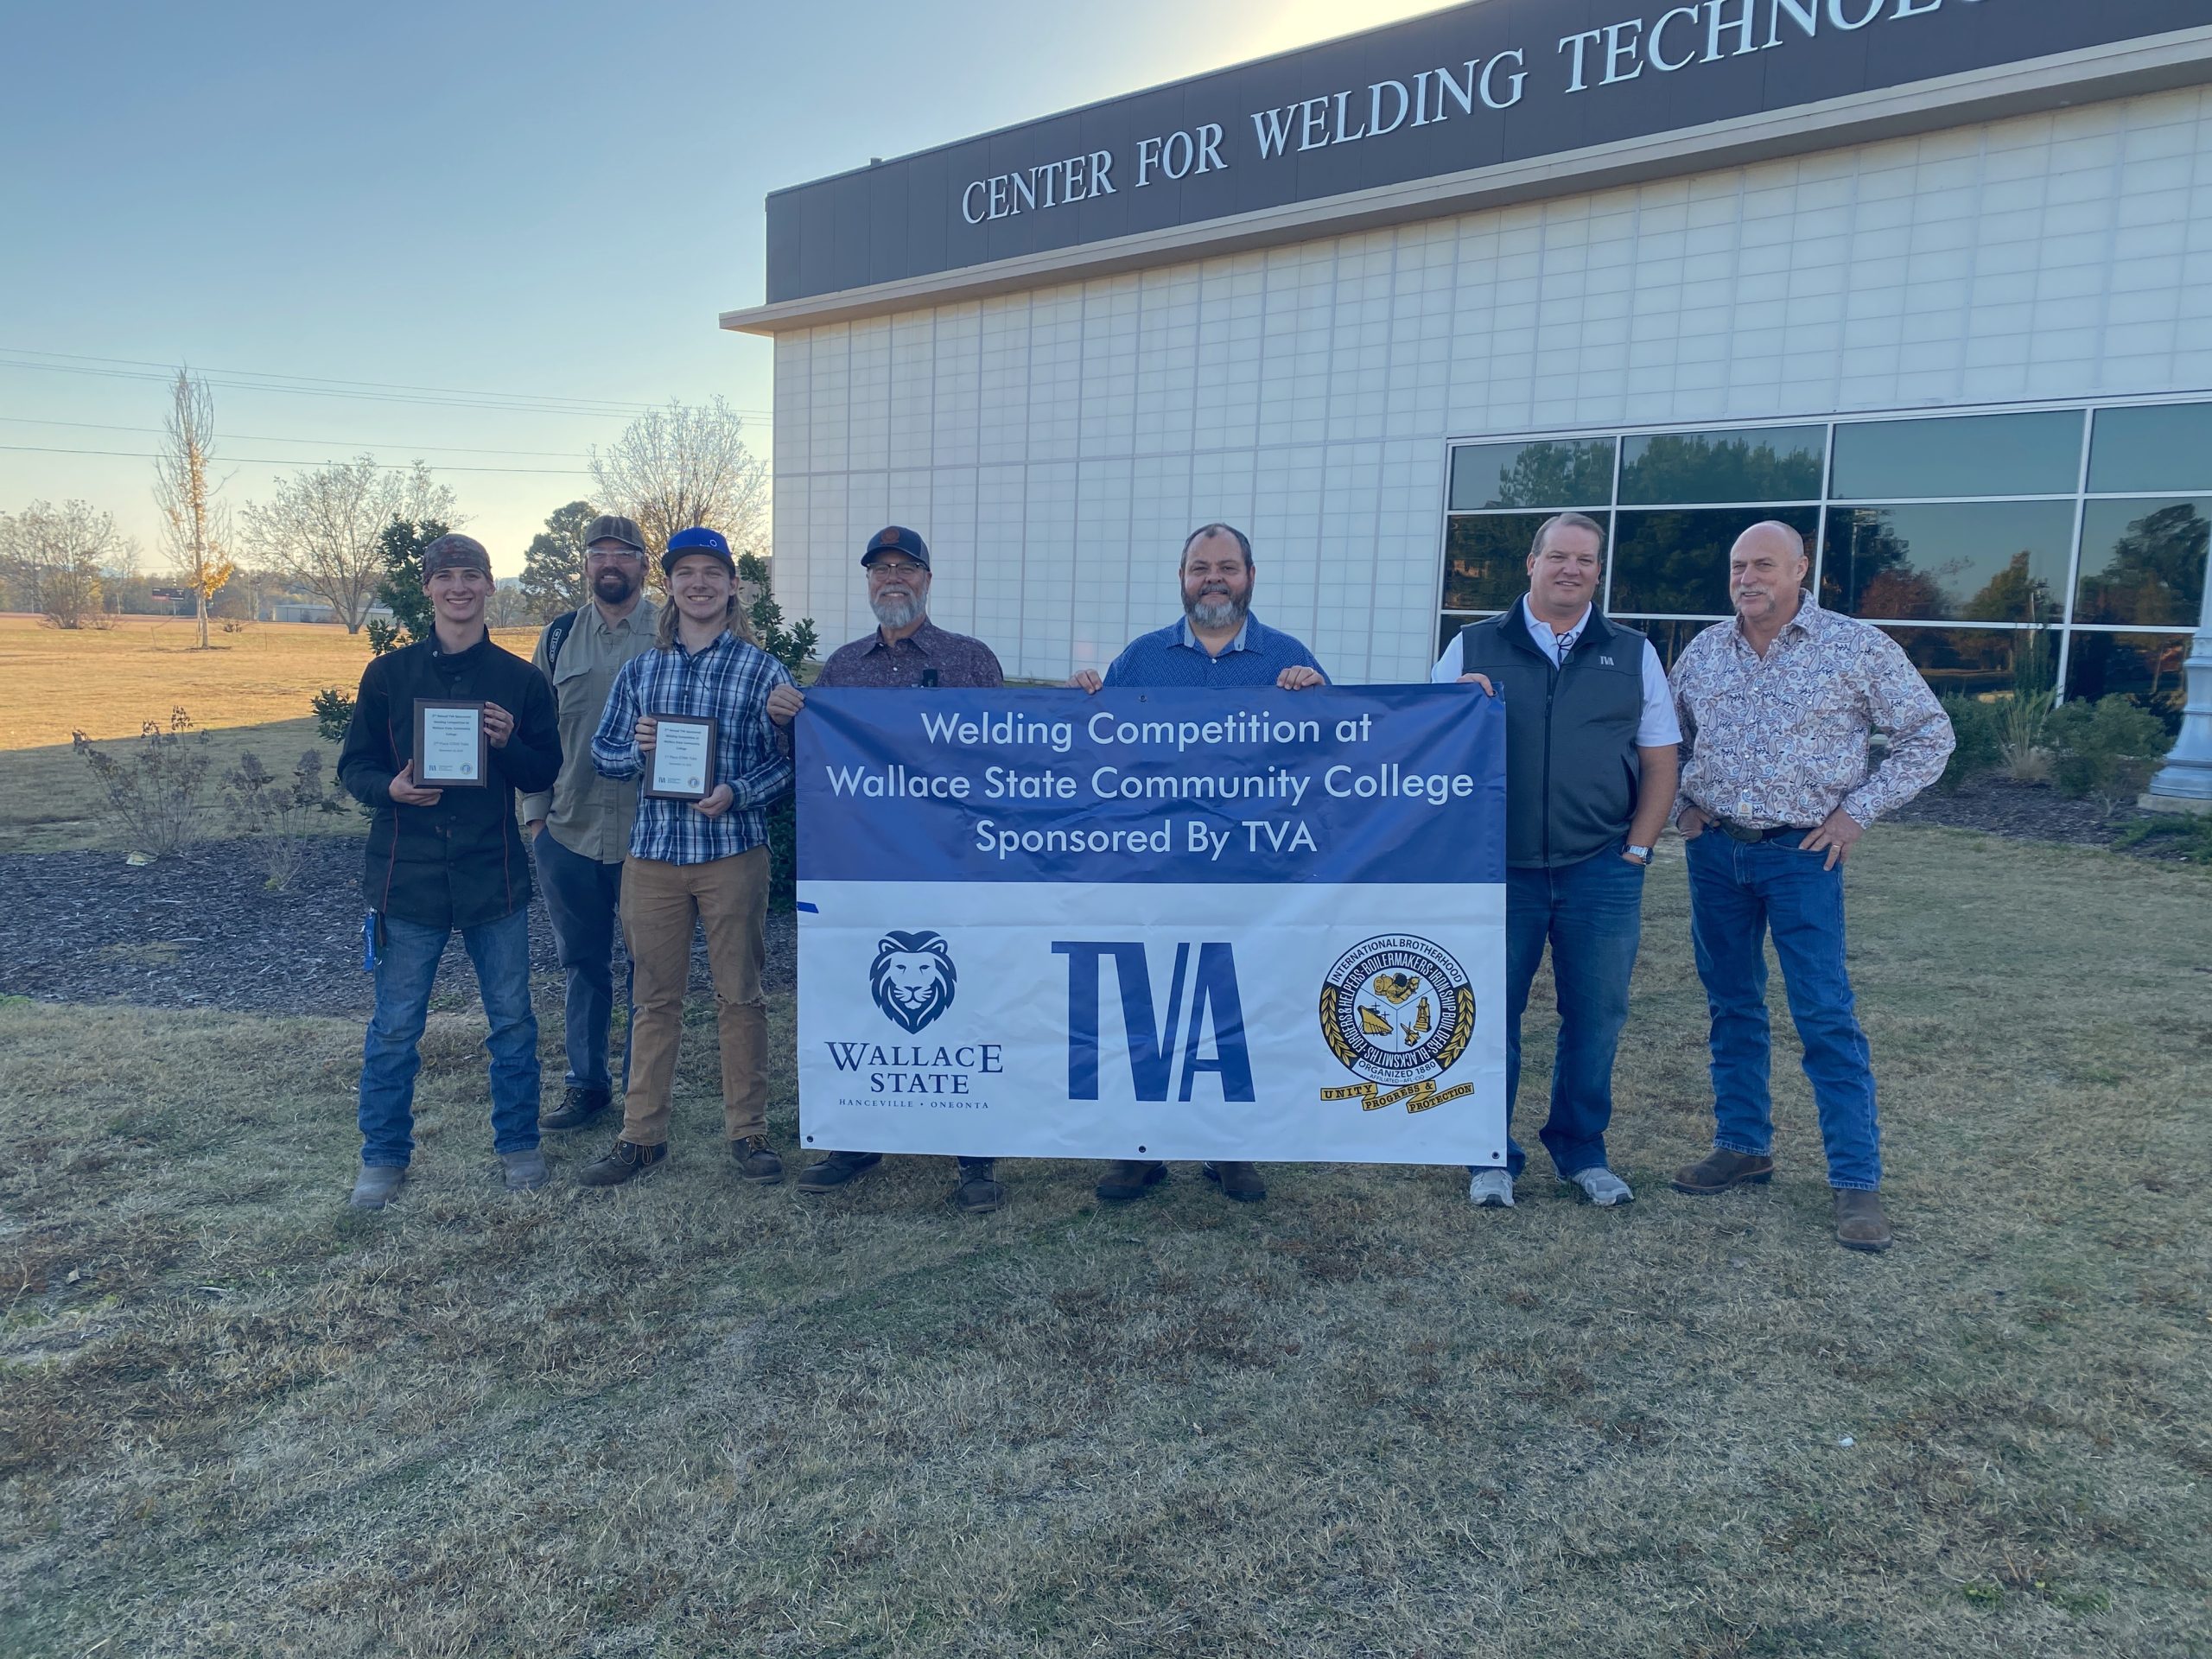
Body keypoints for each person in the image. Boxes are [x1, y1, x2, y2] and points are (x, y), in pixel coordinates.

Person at [1668, 520, 1955, 1253]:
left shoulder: (1855, 647)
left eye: (1764, 564)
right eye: (1738, 565)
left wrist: (1858, 812)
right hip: (1717, 854)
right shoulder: (1704, 652)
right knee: (1732, 1005)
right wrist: (1682, 806)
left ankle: (1856, 1180)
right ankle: (1742, 1145)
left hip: (1803, 856)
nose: (1747, 578)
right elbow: (1666, 743)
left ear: (1801, 569)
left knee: (1824, 1013)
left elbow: (1929, 735)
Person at [1069, 522, 1328, 1205]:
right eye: (1200, 568)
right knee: (1146, 1006)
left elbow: (1333, 758)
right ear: (1182, 578)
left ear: (1250, 576)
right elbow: (1100, 754)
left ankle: (1231, 1147)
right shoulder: (1141, 660)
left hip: (1251, 873)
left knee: (1241, 1008)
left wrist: (1318, 698)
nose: (1214, 579)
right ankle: (1139, 1149)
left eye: (1227, 567)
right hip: (1157, 868)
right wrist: (1079, 703)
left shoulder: (1290, 659)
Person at [1434, 511, 1680, 1211]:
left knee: (1597, 1018)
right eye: (1559, 556)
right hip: (1500, 872)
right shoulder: (1472, 645)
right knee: (1490, 1018)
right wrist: (1452, 707)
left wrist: (1637, 848)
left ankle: (1582, 1150)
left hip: (1601, 868)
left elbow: (1661, 761)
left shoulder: (1632, 653)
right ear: (1532, 563)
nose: (1572, 569)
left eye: (1586, 560)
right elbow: (1427, 749)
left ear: (1598, 572)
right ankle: (1490, 1156)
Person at [768, 524, 1012, 1214]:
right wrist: (788, 721)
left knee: (967, 1001)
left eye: (906, 568)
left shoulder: (970, 660)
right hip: (863, 868)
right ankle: (856, 1136)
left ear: (928, 580)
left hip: (954, 865)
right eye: (881, 570)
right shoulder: (843, 668)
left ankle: (974, 1152)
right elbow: (811, 768)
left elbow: (1008, 756)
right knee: (857, 997)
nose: (893, 579)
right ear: (869, 582)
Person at [337, 533, 563, 1209]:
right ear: (428, 589)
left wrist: (507, 743)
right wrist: (391, 789)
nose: (459, 588)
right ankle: (383, 1157)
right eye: (446, 577)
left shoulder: (521, 681)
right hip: (407, 878)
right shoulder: (388, 675)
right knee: (396, 1027)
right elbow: (355, 766)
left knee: (513, 1022)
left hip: (492, 876)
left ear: (490, 586)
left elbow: (543, 772)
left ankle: (518, 1145)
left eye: (471, 576)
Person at [578, 526, 797, 1187]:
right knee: (654, 1000)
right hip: (653, 858)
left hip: (732, 853)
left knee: (740, 997)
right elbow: (604, 755)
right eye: (685, 573)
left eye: (712, 572)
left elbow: (788, 767)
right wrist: (638, 748)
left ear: (733, 587)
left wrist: (738, 793)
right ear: (668, 587)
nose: (698, 584)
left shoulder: (763, 671)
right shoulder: (641, 671)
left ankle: (749, 1132)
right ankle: (642, 1137)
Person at [519, 513, 659, 1135]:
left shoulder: (671, 633)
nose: (610, 564)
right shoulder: (556, 638)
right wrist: (536, 820)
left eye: (622, 553)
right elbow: (536, 730)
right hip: (569, 831)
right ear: (585, 566)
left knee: (649, 970)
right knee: (582, 964)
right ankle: (586, 1086)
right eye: (598, 554)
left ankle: (641, 1094)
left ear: (643, 565)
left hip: (651, 835)